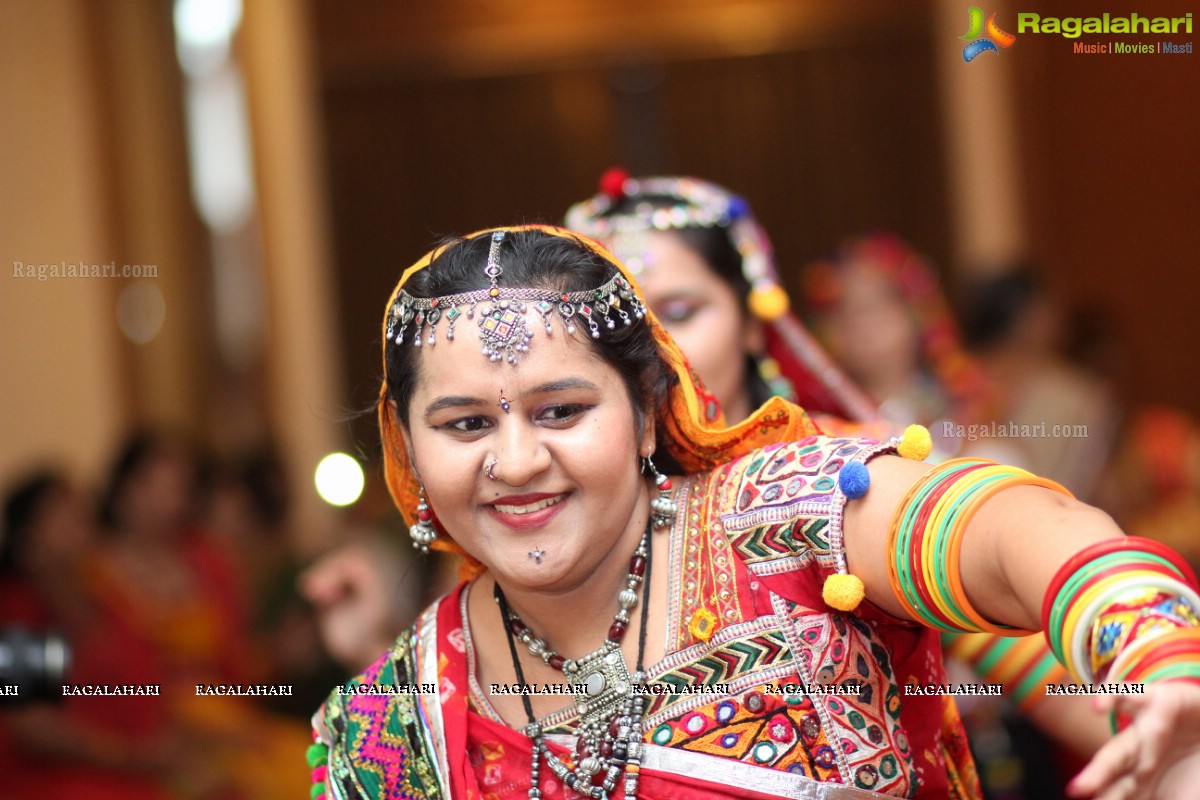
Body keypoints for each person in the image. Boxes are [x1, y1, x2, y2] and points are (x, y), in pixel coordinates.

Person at [311, 225, 1200, 800]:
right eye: (465, 424)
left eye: (561, 412)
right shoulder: (387, 725)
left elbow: (1007, 529)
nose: (514, 462)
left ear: (651, 405)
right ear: (404, 445)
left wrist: (1154, 652)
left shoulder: (791, 516)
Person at [565, 175, 1108, 795]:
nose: (653, 347)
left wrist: (1149, 691)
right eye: (618, 322)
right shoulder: (554, 511)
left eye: (681, 312)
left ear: (750, 323)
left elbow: (1038, 645)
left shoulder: (845, 477)